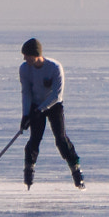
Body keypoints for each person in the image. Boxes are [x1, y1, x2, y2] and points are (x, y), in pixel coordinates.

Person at [19, 38, 84, 188]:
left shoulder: (54, 67)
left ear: (36, 55)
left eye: (27, 55)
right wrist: (26, 114)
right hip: (35, 105)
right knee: (34, 140)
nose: (24, 58)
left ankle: (76, 172)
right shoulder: (24, 69)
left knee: (61, 140)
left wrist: (40, 110)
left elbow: (56, 95)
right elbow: (26, 92)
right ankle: (29, 175)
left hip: (53, 106)